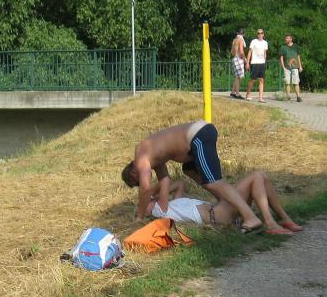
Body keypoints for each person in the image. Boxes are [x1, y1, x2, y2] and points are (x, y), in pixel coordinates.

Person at [121, 121, 263, 233]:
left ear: (133, 174)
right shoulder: (154, 158)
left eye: (138, 182)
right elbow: (165, 181)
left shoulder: (140, 156)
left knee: (213, 182)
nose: (142, 182)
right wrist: (155, 195)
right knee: (189, 170)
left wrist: (139, 217)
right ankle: (229, 204)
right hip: (196, 136)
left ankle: (250, 216)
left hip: (197, 136)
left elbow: (145, 188)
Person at [147, 172, 303, 235]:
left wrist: (155, 194)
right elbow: (165, 184)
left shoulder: (173, 204)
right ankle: (271, 223)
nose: (150, 199)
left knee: (261, 177)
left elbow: (180, 184)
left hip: (220, 211)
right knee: (256, 176)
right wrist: (154, 194)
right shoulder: (159, 210)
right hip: (217, 215)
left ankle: (283, 218)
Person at [245, 28, 269, 102]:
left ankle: (260, 98)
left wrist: (265, 61)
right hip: (254, 62)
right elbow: (250, 52)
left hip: (262, 63)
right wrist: (247, 63)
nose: (260, 34)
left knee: (261, 80)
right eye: (258, 33)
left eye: (261, 33)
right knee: (253, 80)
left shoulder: (265, 43)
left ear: (263, 34)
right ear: (257, 34)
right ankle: (248, 94)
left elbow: (265, 53)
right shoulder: (254, 41)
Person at [279, 34, 304, 102]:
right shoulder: (283, 47)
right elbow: (281, 58)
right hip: (287, 67)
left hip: (295, 67)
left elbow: (298, 56)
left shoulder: (296, 46)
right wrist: (283, 67)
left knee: (296, 82)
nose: (286, 39)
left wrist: (300, 66)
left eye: (287, 38)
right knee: (287, 82)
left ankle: (298, 97)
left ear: (291, 39)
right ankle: (288, 96)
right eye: (286, 38)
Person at [230, 28, 247, 99]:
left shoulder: (234, 40)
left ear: (237, 33)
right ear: (243, 34)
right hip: (239, 59)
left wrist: (236, 55)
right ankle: (237, 94)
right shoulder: (241, 40)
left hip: (234, 58)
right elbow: (241, 51)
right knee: (239, 77)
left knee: (237, 76)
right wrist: (245, 59)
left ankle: (232, 92)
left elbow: (232, 52)